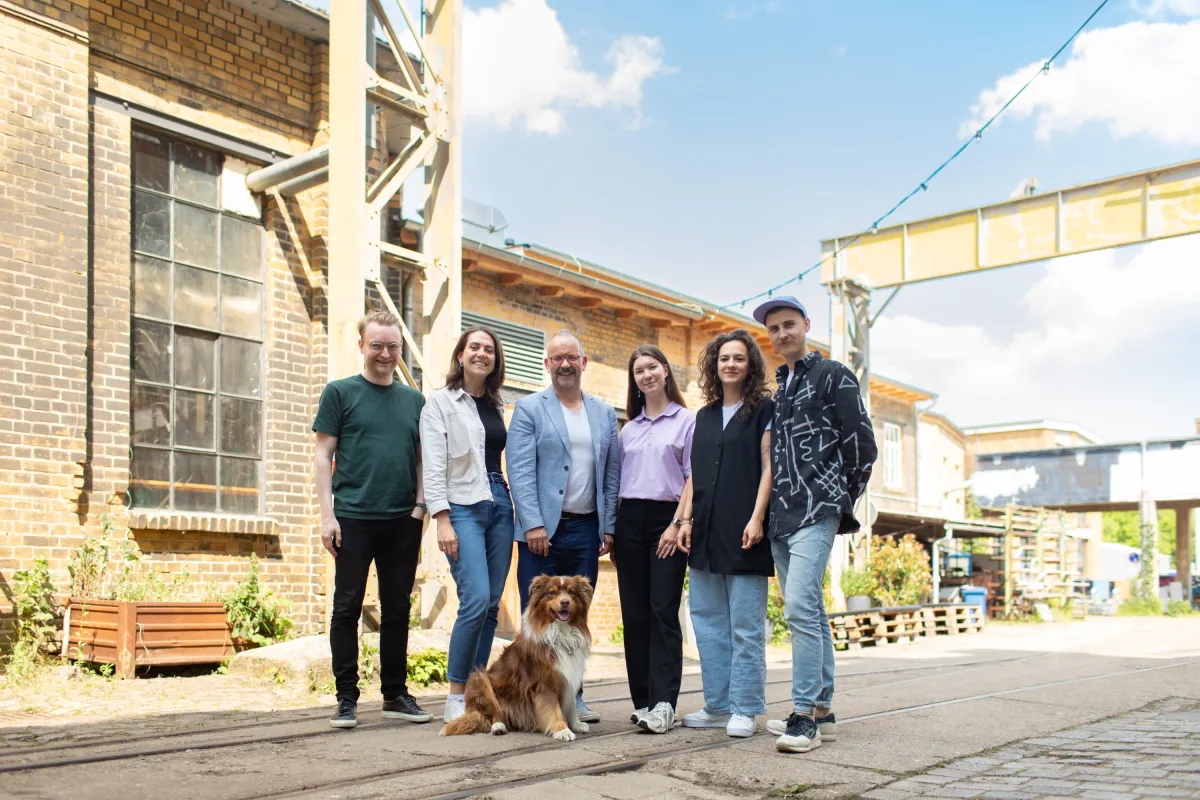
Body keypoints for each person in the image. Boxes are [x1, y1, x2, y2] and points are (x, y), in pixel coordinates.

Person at [752, 296, 877, 754]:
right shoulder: (781, 386)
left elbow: (862, 445)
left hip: (817, 508)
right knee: (812, 611)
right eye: (774, 328)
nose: (782, 334)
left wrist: (840, 495)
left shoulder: (833, 375)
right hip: (783, 515)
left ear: (806, 325)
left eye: (789, 325)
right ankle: (824, 714)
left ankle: (802, 715)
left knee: (800, 609)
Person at [313, 310, 434, 729]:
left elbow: (423, 459)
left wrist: (420, 506)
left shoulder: (415, 400)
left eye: (393, 346)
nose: (385, 353)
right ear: (362, 346)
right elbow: (322, 456)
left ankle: (395, 695)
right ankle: (346, 698)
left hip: (402, 519)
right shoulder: (340, 392)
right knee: (346, 608)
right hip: (351, 518)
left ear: (401, 349)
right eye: (377, 345)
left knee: (398, 608)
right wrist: (327, 516)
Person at [507, 330, 620, 724]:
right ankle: (535, 699)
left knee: (576, 616)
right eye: (557, 358)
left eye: (572, 357)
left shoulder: (604, 413)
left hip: (587, 529)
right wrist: (533, 523)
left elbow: (610, 475)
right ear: (547, 364)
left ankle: (574, 697)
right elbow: (519, 469)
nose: (565, 364)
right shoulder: (529, 409)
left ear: (583, 362)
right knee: (538, 621)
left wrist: (609, 527)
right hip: (543, 534)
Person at [677, 330, 774, 739]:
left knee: (745, 627)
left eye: (738, 358)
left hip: (745, 532)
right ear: (714, 366)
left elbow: (769, 468)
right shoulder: (704, 415)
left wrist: (757, 519)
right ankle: (717, 704)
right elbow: (696, 473)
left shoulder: (764, 410)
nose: (730, 364)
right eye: (723, 359)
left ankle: (746, 708)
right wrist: (683, 520)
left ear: (750, 364)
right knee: (707, 623)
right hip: (705, 534)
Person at [420, 326, 515, 724]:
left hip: (499, 504)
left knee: (492, 605)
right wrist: (441, 519)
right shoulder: (439, 404)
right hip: (462, 508)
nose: (481, 354)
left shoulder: (497, 405)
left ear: (495, 360)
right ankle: (456, 694)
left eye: (489, 349)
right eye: (474, 347)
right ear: (460, 355)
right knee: (475, 599)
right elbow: (434, 465)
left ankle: (479, 693)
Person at [613, 345, 695, 734]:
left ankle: (665, 703)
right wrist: (612, 529)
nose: (645, 375)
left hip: (667, 519)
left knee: (663, 609)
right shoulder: (628, 428)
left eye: (651, 367)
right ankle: (643, 700)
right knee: (635, 613)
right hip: (629, 519)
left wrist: (678, 522)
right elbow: (618, 483)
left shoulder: (686, 421)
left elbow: (693, 478)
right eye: (638, 370)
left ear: (665, 372)